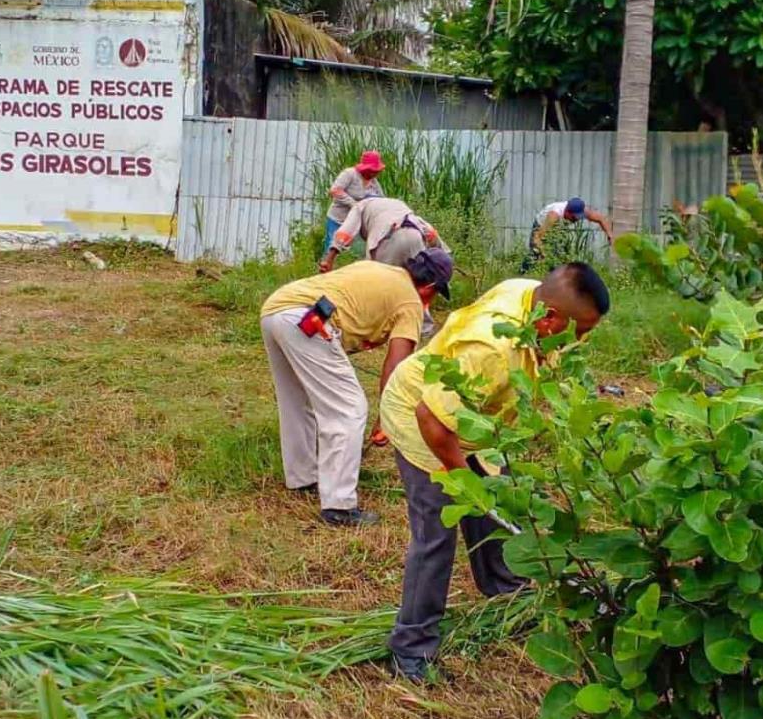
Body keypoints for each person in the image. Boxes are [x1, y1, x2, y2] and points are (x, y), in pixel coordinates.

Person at [379, 262, 611, 681]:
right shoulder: (492, 349)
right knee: (437, 531)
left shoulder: (530, 296)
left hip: (473, 420)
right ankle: (411, 648)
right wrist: (465, 483)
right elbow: (431, 418)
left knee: (495, 501)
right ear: (551, 319)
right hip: (422, 416)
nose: (583, 341)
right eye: (581, 332)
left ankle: (504, 593)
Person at [261, 248, 454, 527]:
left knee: (297, 401)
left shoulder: (378, 267)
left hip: (277, 308)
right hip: (309, 320)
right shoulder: (411, 302)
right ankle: (339, 506)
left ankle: (304, 478)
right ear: (430, 287)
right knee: (349, 410)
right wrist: (386, 419)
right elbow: (396, 365)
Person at [319, 197, 447, 273]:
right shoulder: (397, 204)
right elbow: (428, 230)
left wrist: (329, 260)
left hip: (388, 238)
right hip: (416, 236)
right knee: (412, 289)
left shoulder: (360, 206)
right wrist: (445, 257)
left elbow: (345, 233)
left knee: (377, 287)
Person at [524, 197, 614, 271]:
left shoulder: (581, 210)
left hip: (558, 228)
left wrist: (610, 235)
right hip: (542, 226)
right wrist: (542, 252)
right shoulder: (554, 215)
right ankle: (523, 272)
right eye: (574, 217)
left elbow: (601, 219)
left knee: (558, 253)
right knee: (535, 254)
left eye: (579, 217)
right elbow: (538, 237)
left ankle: (553, 278)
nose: (576, 220)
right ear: (567, 212)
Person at [324, 151, 386, 253]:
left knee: (354, 252)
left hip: (357, 224)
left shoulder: (374, 183)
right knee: (332, 249)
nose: (374, 173)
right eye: (372, 170)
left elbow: (382, 200)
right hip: (338, 220)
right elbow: (335, 190)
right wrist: (355, 205)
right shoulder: (350, 174)